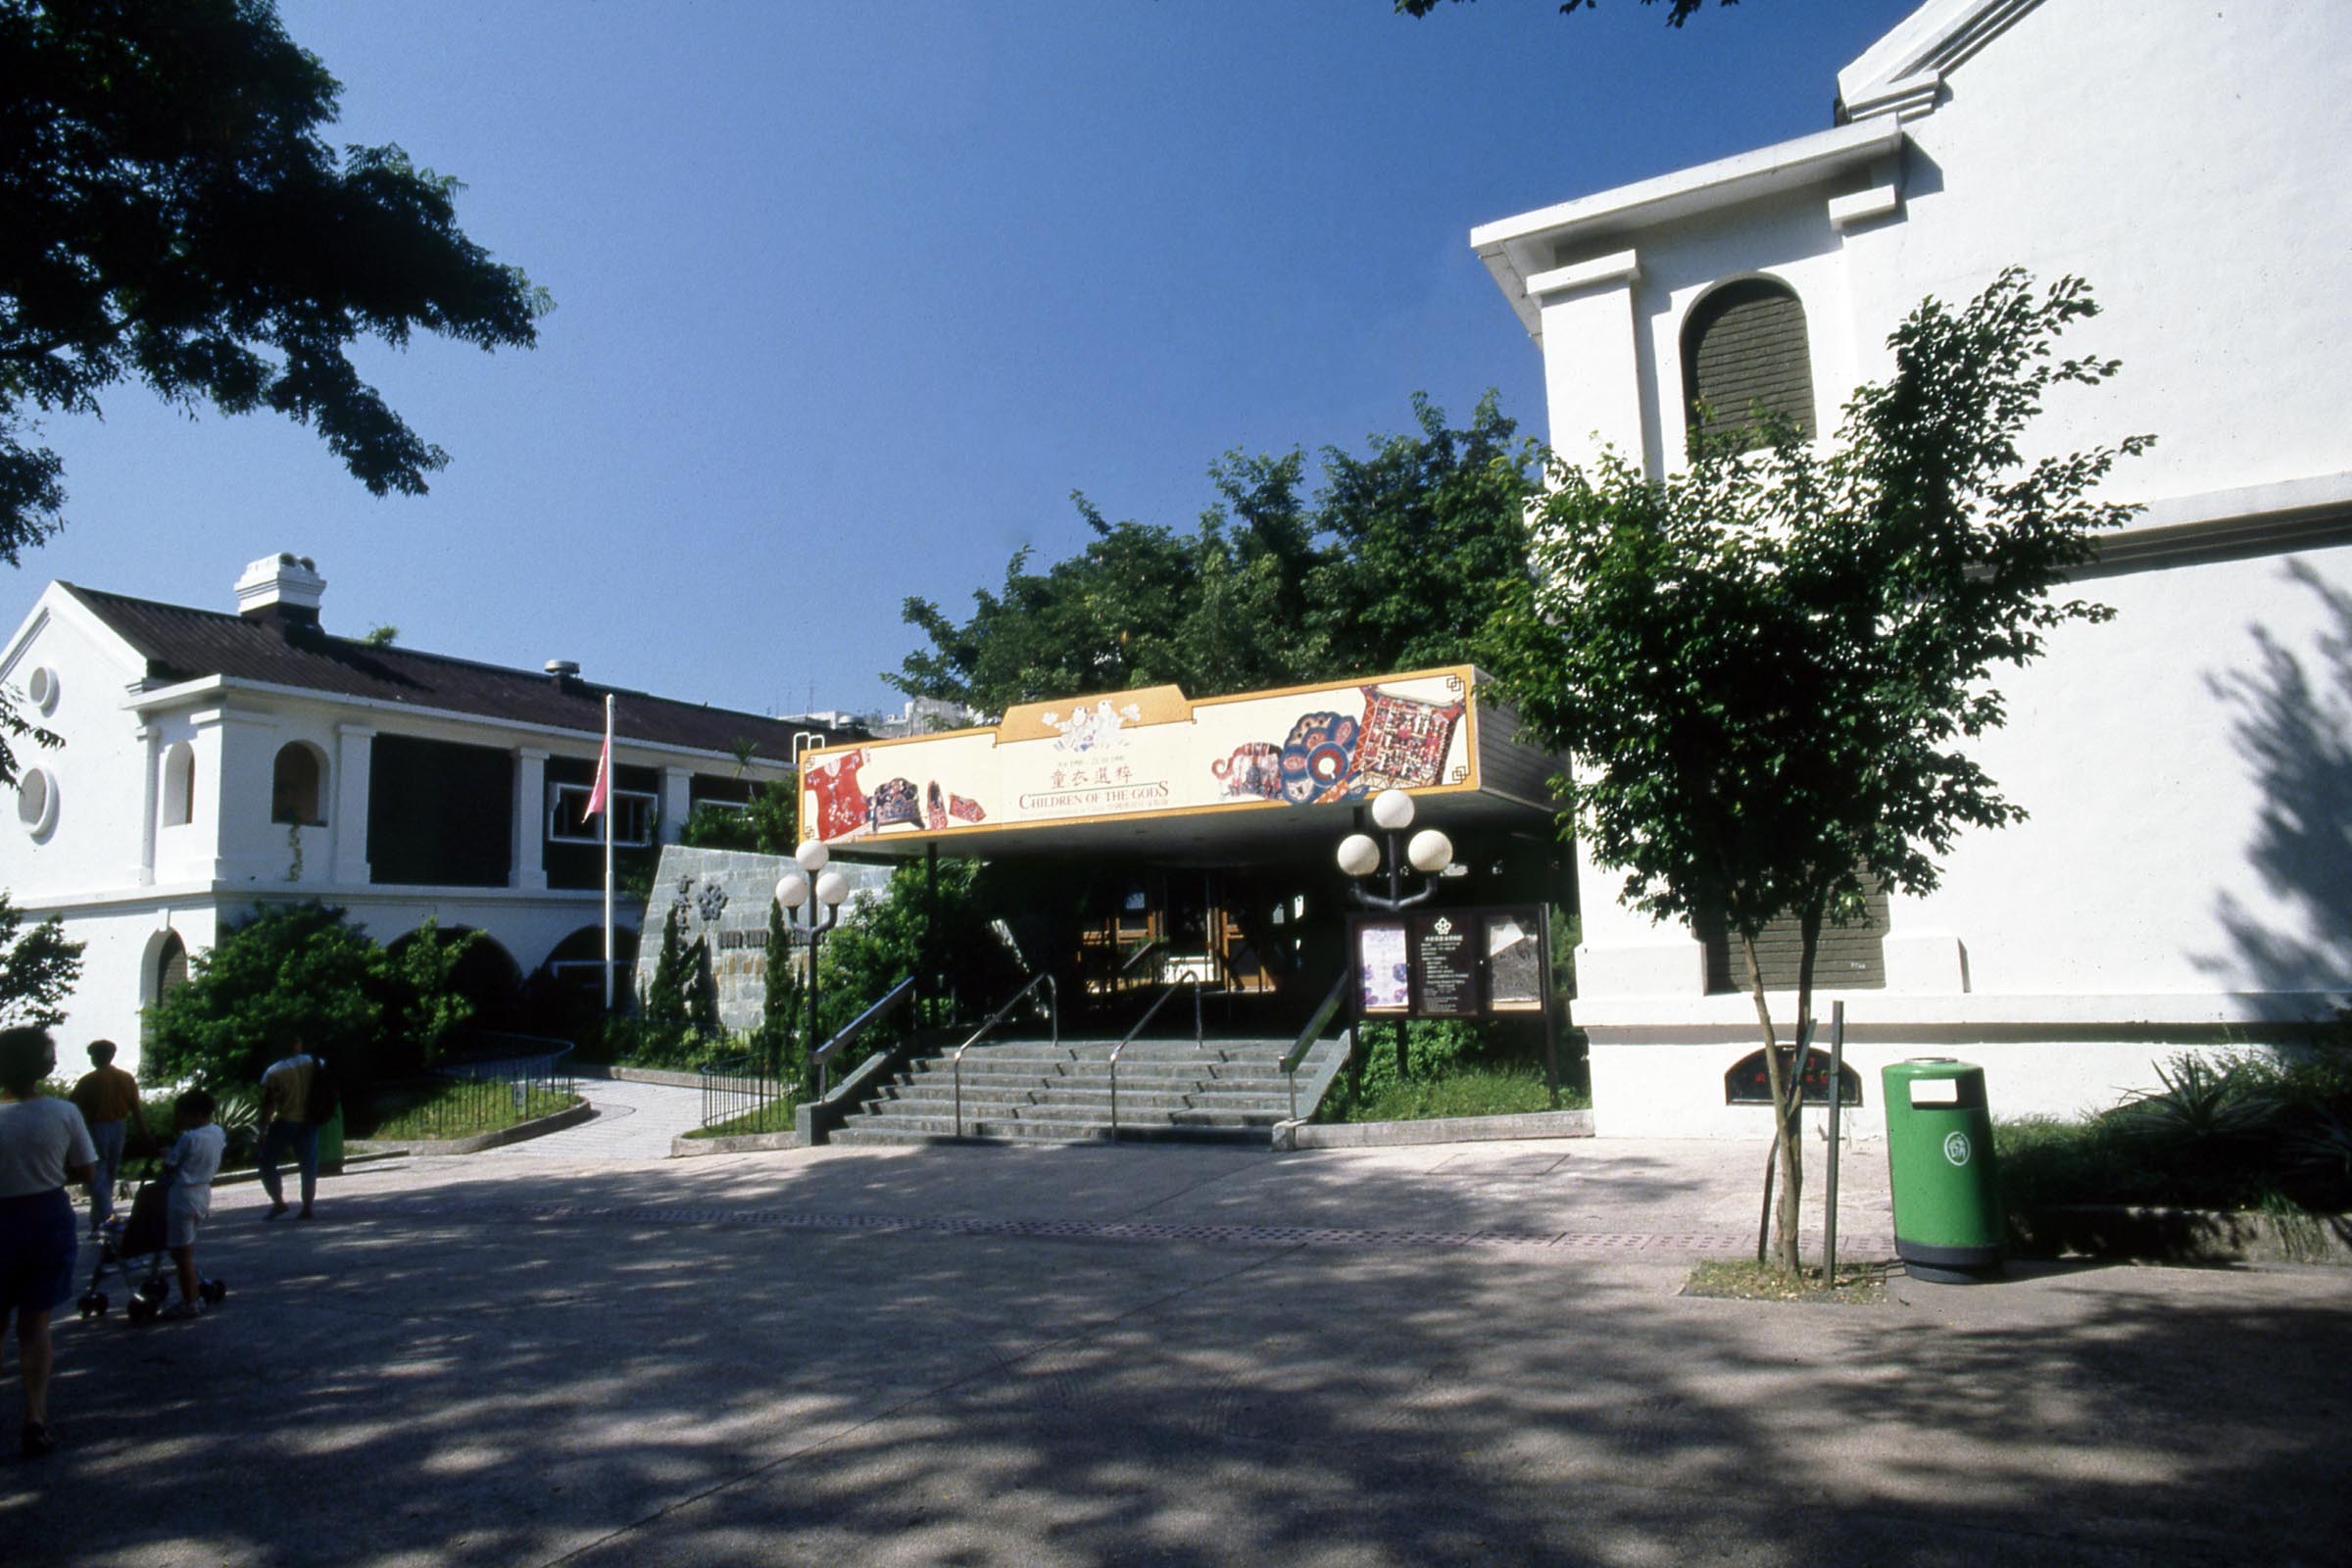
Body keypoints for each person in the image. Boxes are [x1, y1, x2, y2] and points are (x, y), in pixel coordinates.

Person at [0, 1025, 98, 1459]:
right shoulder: (63, 1112)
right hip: (45, 1216)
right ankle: (35, 1417)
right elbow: (88, 1171)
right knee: (35, 1326)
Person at [158, 1089, 225, 1320]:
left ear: (194, 1114)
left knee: (181, 1254)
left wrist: (167, 1154)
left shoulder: (188, 1138)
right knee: (187, 1247)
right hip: (203, 1193)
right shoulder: (217, 1132)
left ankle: (190, 1301)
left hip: (182, 1195)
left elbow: (170, 1166)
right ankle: (193, 1292)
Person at [69, 1039, 147, 1235]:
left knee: (99, 1173)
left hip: (97, 1128)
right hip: (119, 1126)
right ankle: (100, 1220)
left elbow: (73, 1107)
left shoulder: (88, 1081)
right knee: (109, 1173)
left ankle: (105, 1217)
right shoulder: (125, 1078)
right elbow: (135, 1108)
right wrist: (144, 1132)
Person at [258, 1030, 324, 1220]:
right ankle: (307, 1207)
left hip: (286, 1121)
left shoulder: (274, 1072)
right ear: (298, 1045)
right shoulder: (315, 1063)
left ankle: (278, 1201)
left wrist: (262, 1130)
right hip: (310, 1120)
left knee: (267, 1162)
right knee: (308, 1165)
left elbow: (269, 1103)